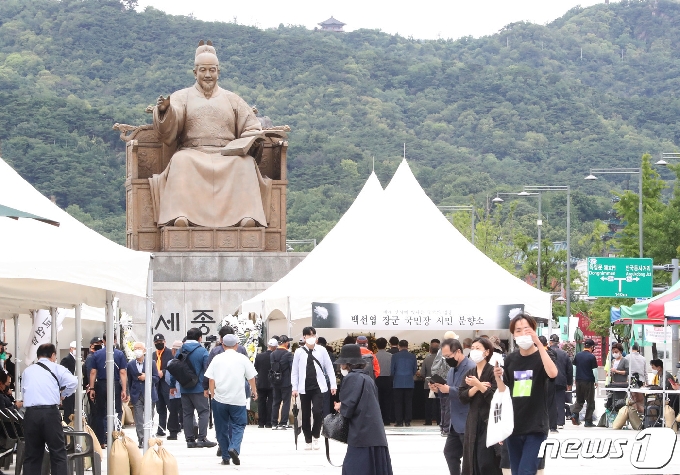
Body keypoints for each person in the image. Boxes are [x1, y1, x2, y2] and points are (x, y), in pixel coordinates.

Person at [149, 41, 271, 228]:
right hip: (193, 152)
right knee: (181, 160)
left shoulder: (233, 99)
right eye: (203, 70)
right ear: (195, 72)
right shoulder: (182, 96)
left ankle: (246, 217)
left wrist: (250, 139)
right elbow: (169, 129)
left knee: (245, 163)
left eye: (212, 70)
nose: (208, 75)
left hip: (227, 154)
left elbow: (251, 125)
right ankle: (181, 217)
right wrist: (166, 111)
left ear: (218, 72)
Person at [494, 313, 558, 475]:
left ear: (534, 331)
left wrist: (539, 344)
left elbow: (552, 373)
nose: (522, 334)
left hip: (536, 427)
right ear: (513, 334)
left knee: (526, 471)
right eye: (518, 331)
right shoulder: (510, 359)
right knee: (516, 472)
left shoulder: (544, 356)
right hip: (513, 426)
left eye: (526, 330)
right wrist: (497, 377)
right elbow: (504, 392)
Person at [333, 344, 394, 475]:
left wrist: (340, 406)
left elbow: (349, 406)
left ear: (347, 364)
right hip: (374, 432)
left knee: (354, 468)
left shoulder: (351, 378)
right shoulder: (367, 378)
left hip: (361, 433)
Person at [21, 343, 78, 475]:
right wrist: (63, 394)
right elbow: (73, 382)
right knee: (58, 452)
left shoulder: (27, 371)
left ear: (38, 355)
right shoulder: (57, 368)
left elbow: (24, 390)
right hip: (50, 413)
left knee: (31, 455)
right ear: (52, 355)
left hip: (31, 413)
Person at [205, 334, 258, 466]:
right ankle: (234, 447)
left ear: (222, 345)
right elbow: (251, 377)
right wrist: (254, 391)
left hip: (219, 399)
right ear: (236, 345)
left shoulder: (217, 358)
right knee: (239, 425)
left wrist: (212, 393)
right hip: (238, 399)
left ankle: (225, 458)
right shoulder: (242, 358)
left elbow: (211, 379)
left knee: (221, 428)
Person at [431, 337, 474, 475]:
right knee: (450, 453)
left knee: (470, 458)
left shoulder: (471, 367)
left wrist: (448, 389)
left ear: (458, 352)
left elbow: (468, 393)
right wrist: (439, 390)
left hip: (468, 419)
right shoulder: (451, 370)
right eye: (444, 357)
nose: (447, 359)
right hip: (454, 422)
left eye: (448, 356)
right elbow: (448, 392)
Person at [459, 338, 501, 475]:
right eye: (472, 348)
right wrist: (478, 387)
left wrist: (478, 384)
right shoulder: (470, 373)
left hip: (489, 421)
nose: (474, 351)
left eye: (478, 348)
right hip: (472, 421)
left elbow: (495, 397)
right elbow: (463, 396)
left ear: (486, 351)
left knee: (486, 460)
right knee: (471, 458)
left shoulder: (494, 372)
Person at [169, 328, 217, 448]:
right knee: (203, 411)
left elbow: (175, 368)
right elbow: (208, 371)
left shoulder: (180, 351)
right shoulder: (202, 351)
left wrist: (172, 385)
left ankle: (190, 440)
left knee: (187, 414)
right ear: (200, 338)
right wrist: (207, 387)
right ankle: (201, 438)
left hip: (184, 388)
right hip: (199, 388)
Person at [291, 326, 337, 450]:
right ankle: (308, 439)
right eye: (309, 335)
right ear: (304, 337)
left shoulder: (322, 350)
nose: (311, 337)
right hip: (304, 387)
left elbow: (329, 368)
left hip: (319, 386)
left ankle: (316, 435)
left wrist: (333, 384)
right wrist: (294, 387)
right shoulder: (299, 352)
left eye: (313, 335)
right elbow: (294, 371)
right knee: (305, 414)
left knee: (317, 411)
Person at [88, 333, 128, 447]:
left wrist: (91, 388)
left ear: (103, 341)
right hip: (115, 384)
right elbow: (123, 372)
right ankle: (116, 438)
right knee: (117, 411)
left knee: (101, 413)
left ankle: (101, 440)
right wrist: (124, 389)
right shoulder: (119, 354)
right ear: (115, 340)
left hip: (101, 384)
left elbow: (93, 372)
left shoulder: (97, 354)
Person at [127, 342, 159, 449]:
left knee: (149, 418)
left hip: (149, 394)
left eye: (139, 348)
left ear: (144, 350)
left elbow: (156, 378)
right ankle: (141, 439)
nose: (137, 350)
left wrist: (147, 377)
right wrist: (129, 394)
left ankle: (148, 438)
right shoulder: (130, 364)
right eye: (135, 348)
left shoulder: (151, 363)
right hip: (137, 394)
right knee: (139, 419)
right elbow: (129, 381)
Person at [431, 331, 459, 436]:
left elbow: (434, 367)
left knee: (443, 405)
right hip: (448, 380)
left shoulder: (440, 350)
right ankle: (446, 428)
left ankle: (443, 426)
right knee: (448, 405)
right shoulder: (450, 351)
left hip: (440, 379)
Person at [570, 339, 598, 427]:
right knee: (590, 402)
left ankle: (574, 414)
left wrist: (574, 377)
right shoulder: (592, 357)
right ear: (592, 347)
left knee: (579, 400)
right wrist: (596, 381)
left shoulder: (577, 355)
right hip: (588, 381)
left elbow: (574, 367)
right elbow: (595, 371)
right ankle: (588, 421)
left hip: (578, 381)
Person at [548, 334, 573, 430]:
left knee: (549, 401)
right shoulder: (564, 354)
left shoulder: (546, 352)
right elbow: (569, 369)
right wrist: (569, 383)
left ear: (550, 342)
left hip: (549, 380)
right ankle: (560, 422)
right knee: (560, 402)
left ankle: (550, 421)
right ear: (558, 342)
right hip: (561, 380)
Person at [390, 339, 417, 427]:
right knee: (408, 402)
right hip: (409, 381)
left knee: (398, 403)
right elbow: (414, 370)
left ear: (399, 346)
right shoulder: (412, 356)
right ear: (407, 346)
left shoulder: (395, 356)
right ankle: (408, 421)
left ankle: (399, 421)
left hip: (398, 382)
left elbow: (392, 370)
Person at [271, 335, 294, 429]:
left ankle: (274, 422)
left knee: (276, 402)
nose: (289, 343)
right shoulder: (288, 354)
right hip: (286, 381)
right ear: (285, 343)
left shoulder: (272, 354)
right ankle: (283, 422)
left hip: (275, 381)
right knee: (286, 402)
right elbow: (292, 368)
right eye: (288, 342)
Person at [152, 333, 173, 437]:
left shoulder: (169, 353)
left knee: (170, 406)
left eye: (160, 342)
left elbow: (173, 365)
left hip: (167, 383)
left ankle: (173, 428)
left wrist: (163, 372)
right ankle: (161, 428)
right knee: (160, 408)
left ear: (164, 342)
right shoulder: (153, 354)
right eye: (156, 342)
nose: (158, 344)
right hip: (157, 384)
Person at [254, 338, 276, 428]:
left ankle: (261, 422)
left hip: (261, 382)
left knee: (261, 402)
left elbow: (255, 369)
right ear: (274, 347)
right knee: (271, 402)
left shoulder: (259, 356)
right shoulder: (275, 356)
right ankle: (268, 422)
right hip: (272, 383)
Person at [420, 339, 440, 426]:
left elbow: (422, 373)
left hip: (428, 384)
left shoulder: (426, 360)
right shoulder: (442, 360)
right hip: (440, 384)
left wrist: (426, 378)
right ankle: (440, 420)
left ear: (430, 350)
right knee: (439, 403)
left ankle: (428, 421)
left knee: (428, 403)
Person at [166, 340, 184, 440]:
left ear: (173, 351)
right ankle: (191, 430)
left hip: (174, 392)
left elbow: (168, 378)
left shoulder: (171, 362)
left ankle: (173, 432)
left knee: (173, 412)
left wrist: (172, 386)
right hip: (186, 391)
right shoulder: (186, 361)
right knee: (187, 412)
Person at [375, 337, 393, 425]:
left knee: (378, 399)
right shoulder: (391, 356)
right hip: (388, 379)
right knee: (387, 400)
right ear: (386, 345)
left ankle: (379, 419)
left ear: (376, 346)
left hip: (377, 379)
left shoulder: (374, 356)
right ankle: (387, 419)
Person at [60, 340, 77, 423]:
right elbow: (62, 376)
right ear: (71, 349)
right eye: (75, 348)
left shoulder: (75, 359)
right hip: (67, 389)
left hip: (73, 389)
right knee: (68, 411)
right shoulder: (66, 360)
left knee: (72, 410)